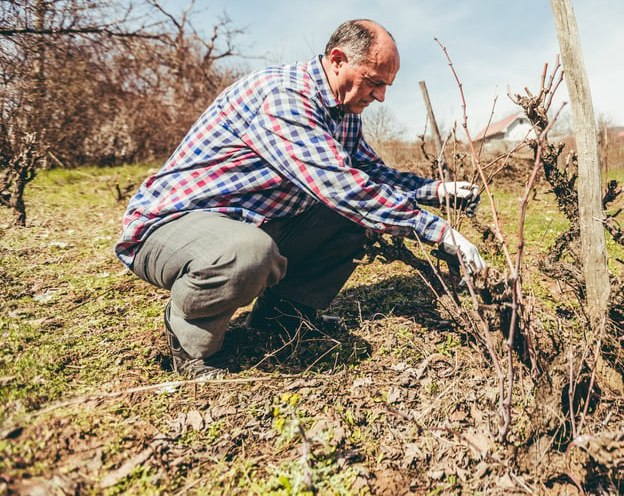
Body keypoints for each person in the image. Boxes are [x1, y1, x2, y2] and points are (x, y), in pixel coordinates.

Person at [115, 19, 485, 378]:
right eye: (374, 82)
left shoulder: (343, 111)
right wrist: (437, 231)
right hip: (171, 226)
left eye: (386, 85)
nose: (381, 96)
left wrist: (435, 191)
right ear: (338, 60)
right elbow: (345, 188)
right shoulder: (286, 96)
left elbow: (369, 173)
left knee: (346, 220)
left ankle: (282, 318)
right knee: (249, 252)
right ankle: (189, 339)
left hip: (246, 221)